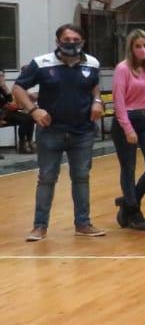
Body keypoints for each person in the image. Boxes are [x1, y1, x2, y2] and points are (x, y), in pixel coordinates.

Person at [12, 24, 106, 241]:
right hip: (50, 131)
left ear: (82, 42)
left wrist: (98, 101)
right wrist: (33, 110)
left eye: (75, 39)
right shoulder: (41, 63)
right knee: (46, 178)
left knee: (81, 177)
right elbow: (18, 88)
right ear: (57, 41)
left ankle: (83, 223)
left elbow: (94, 86)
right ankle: (39, 226)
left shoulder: (92, 63)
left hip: (82, 132)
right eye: (66, 38)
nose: (70, 43)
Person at [110, 29, 145, 231]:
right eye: (138, 46)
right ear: (131, 48)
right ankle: (133, 210)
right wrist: (127, 128)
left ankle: (128, 200)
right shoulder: (122, 69)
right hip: (127, 119)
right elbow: (119, 101)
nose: (143, 50)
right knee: (128, 167)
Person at [0, 74, 36, 153]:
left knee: (30, 117)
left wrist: (4, 87)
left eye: (3, 76)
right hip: (3, 115)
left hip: (7, 113)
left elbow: (9, 100)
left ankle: (29, 141)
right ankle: (22, 145)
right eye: (0, 76)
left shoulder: (1, 88)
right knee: (24, 120)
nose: (2, 78)